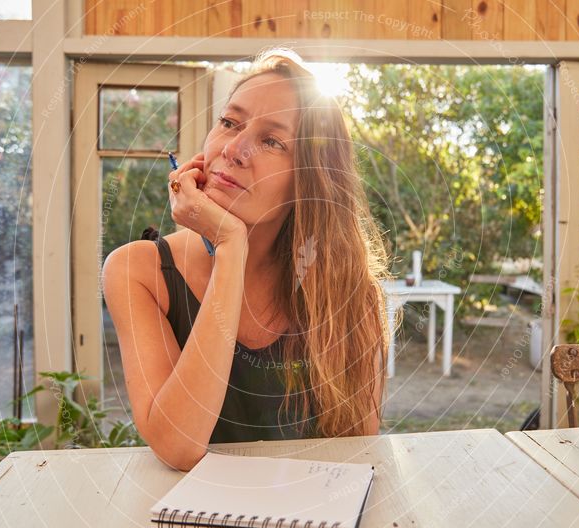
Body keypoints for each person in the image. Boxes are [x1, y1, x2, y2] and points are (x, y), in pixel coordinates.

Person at [103, 48, 392, 471]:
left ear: (308, 181)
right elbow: (177, 445)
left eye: (272, 140)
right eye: (229, 122)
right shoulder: (138, 271)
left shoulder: (349, 292)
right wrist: (230, 247)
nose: (234, 148)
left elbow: (358, 456)